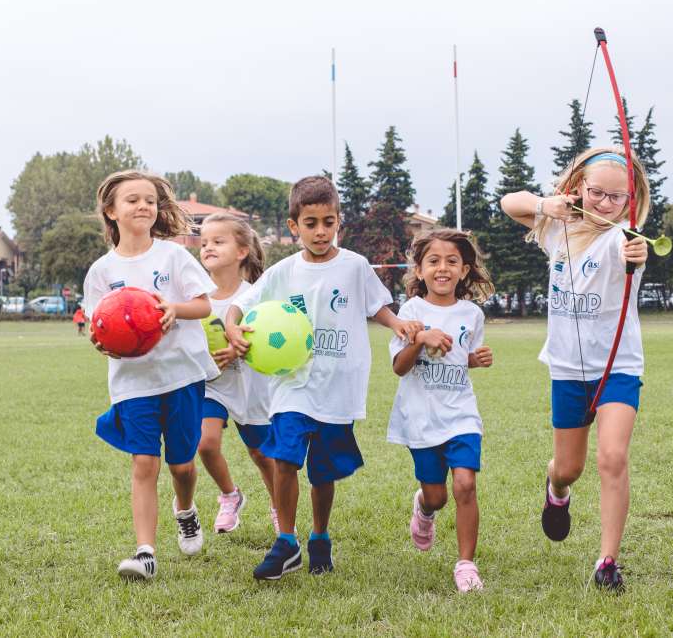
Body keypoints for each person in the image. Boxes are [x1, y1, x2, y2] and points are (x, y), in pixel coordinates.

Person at [224, 175, 422, 580]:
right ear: (294, 225)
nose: (320, 231)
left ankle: (319, 536)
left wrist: (397, 324)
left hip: (338, 385)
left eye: (328, 222)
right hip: (292, 383)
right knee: (283, 457)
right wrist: (232, 328)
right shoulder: (282, 272)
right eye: (310, 223)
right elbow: (240, 306)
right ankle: (286, 541)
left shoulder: (354, 266)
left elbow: (376, 306)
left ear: (338, 223)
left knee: (323, 472)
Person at [500, 147, 652, 592]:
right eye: (597, 192)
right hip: (567, 369)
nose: (606, 203)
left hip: (617, 368)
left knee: (613, 457)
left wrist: (635, 250)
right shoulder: (556, 227)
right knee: (569, 468)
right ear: (578, 188)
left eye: (618, 197)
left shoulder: (624, 238)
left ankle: (608, 562)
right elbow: (510, 202)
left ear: (631, 200)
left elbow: (632, 249)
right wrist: (547, 205)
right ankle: (556, 489)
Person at [82, 170, 218, 581]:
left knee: (182, 466)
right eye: (132, 200)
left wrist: (174, 309)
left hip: (181, 376)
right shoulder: (101, 271)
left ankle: (186, 510)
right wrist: (102, 341)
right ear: (111, 211)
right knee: (144, 462)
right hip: (133, 382)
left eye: (150, 200)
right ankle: (145, 553)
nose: (144, 206)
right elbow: (97, 326)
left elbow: (204, 305)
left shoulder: (173, 257)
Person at [388, 229, 494, 592]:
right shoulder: (412, 311)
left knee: (465, 484)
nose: (442, 268)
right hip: (420, 416)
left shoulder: (472, 314)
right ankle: (425, 507)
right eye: (433, 261)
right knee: (438, 495)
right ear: (419, 270)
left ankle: (466, 564)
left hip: (460, 413)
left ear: (465, 271)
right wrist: (419, 338)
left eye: (452, 261)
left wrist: (475, 360)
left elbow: (462, 358)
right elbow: (399, 367)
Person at [197, 213, 277, 534]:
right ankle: (230, 496)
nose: (208, 248)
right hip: (211, 384)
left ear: (242, 251)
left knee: (260, 453)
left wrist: (238, 349)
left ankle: (278, 506)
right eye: (204, 243)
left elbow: (272, 337)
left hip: (250, 383)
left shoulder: (256, 294)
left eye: (218, 241)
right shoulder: (196, 296)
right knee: (205, 443)